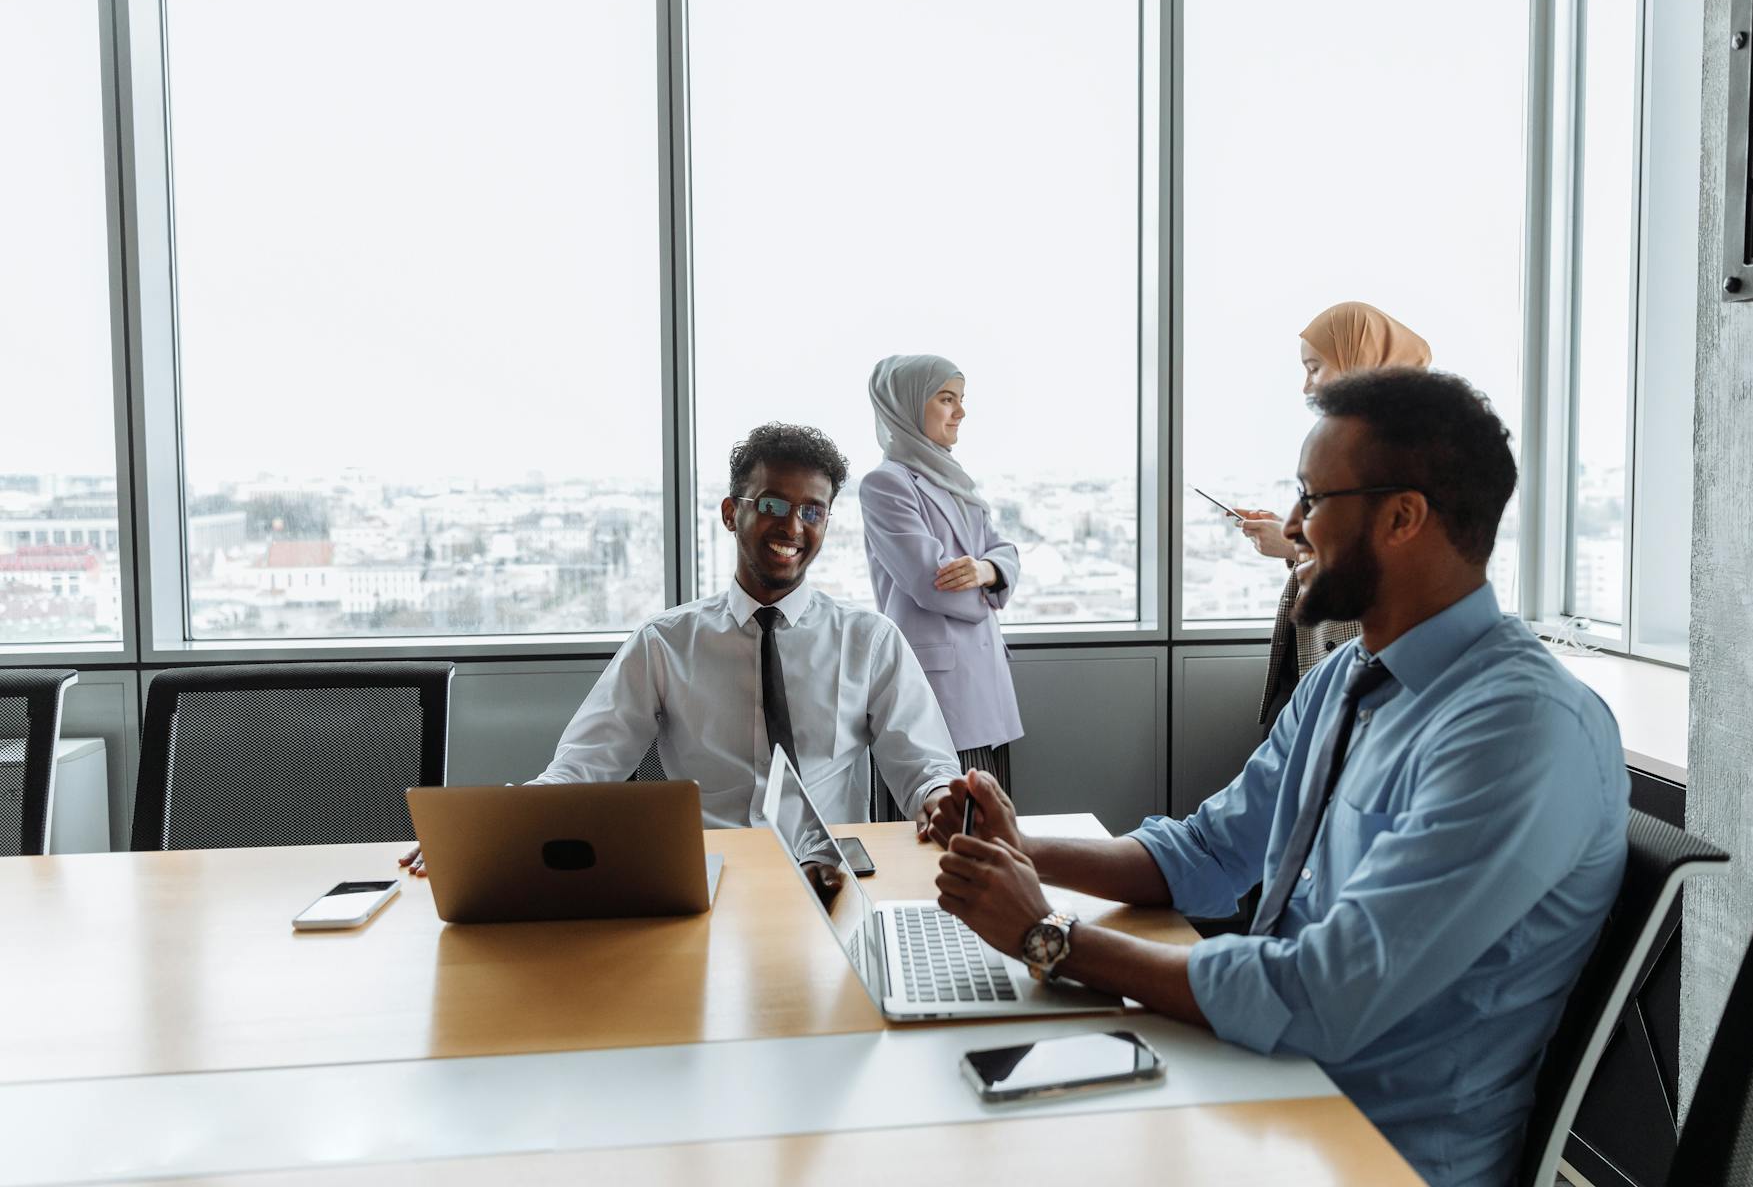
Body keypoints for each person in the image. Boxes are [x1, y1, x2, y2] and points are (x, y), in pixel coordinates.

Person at [929, 370, 1627, 1187]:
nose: (1293, 527)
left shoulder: (1517, 730)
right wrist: (1022, 852)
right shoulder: (1345, 680)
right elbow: (1207, 854)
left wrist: (1049, 939)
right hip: (1273, 1090)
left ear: (1402, 517)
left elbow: (1320, 997)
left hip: (1372, 1149)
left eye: (1313, 499)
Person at [399, 423, 962, 876]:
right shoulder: (665, 643)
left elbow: (925, 769)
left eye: (812, 510)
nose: (792, 525)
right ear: (730, 513)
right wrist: (494, 823)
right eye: (771, 505)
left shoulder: (869, 640)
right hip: (711, 876)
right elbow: (584, 765)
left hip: (827, 876)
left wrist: (940, 798)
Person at [1229, 301, 1432, 730]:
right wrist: (1299, 540)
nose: (1306, 387)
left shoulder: (1400, 450)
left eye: (1315, 368)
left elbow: (1386, 563)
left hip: (1353, 655)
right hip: (1324, 650)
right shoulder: (1358, 442)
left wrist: (1292, 545)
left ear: (1359, 361)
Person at [859, 355, 1023, 795]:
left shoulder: (953, 479)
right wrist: (991, 587)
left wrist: (987, 569)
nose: (961, 413)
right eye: (947, 399)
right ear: (908, 405)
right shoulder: (886, 484)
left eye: (961, 400)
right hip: (938, 690)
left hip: (982, 686)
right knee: (943, 823)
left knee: (989, 821)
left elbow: (1004, 551)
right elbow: (931, 582)